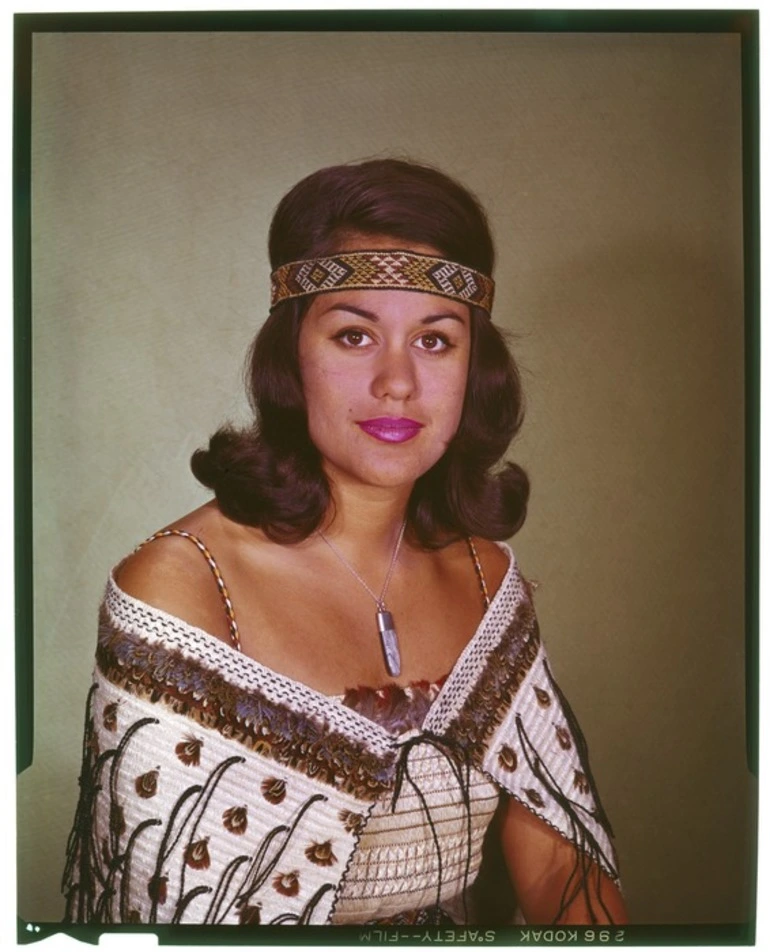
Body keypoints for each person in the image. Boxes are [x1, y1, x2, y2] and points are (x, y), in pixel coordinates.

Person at [62, 158, 628, 927]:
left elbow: (563, 873)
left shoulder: (485, 575)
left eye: (435, 341)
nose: (397, 381)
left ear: (474, 366)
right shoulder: (182, 588)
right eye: (355, 335)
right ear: (292, 355)